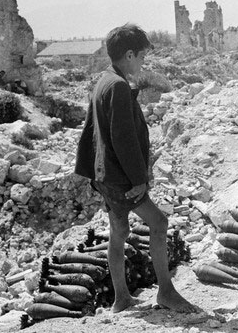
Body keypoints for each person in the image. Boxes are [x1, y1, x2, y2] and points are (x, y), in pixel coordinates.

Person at [74, 23, 204, 317]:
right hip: (120, 177)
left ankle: (121, 298)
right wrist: (139, 180)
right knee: (158, 223)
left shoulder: (105, 81)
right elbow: (123, 140)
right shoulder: (117, 86)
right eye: (142, 57)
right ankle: (166, 292)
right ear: (129, 55)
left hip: (104, 173)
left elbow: (96, 131)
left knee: (119, 231)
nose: (143, 63)